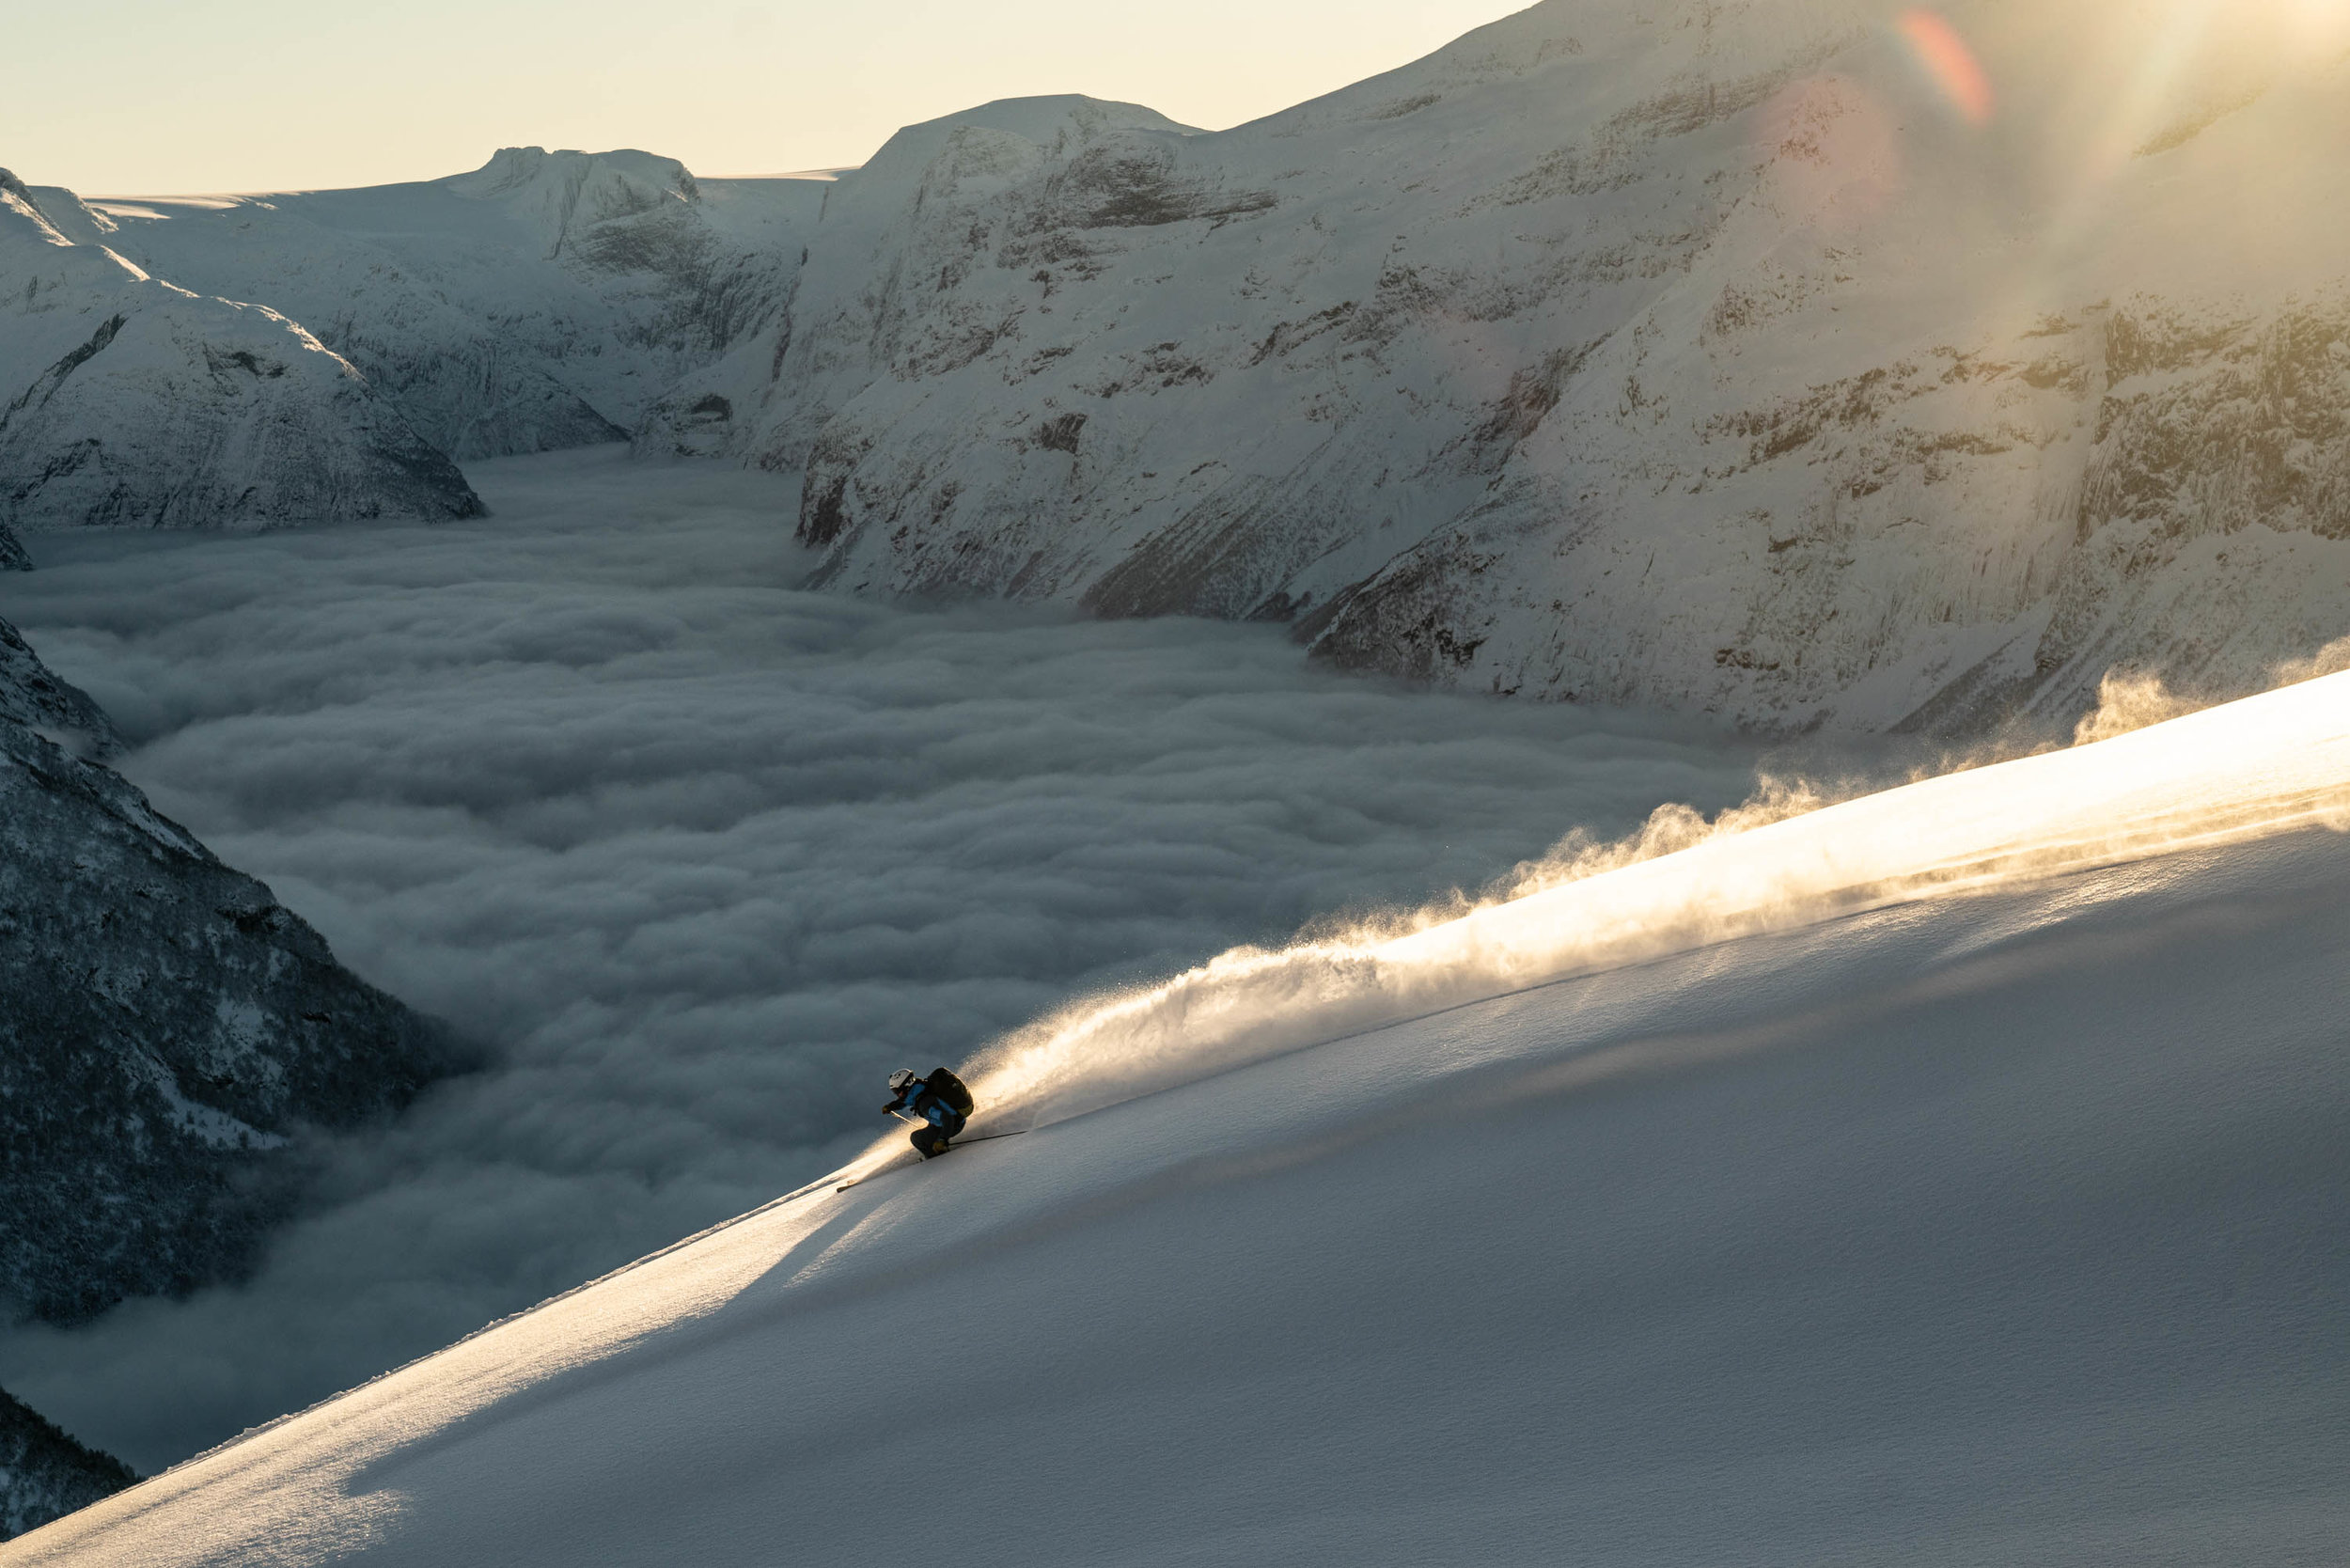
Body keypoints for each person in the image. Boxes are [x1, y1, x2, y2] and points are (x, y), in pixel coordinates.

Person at [883, 1066, 976, 1157]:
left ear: (906, 1087)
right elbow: (906, 1100)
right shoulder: (920, 1087)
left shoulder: (925, 1104)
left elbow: (947, 1118)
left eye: (897, 1091)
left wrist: (943, 1139)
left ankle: (937, 1157)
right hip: (954, 1119)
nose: (897, 1095)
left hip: (954, 1125)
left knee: (917, 1139)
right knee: (927, 1131)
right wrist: (891, 1106)